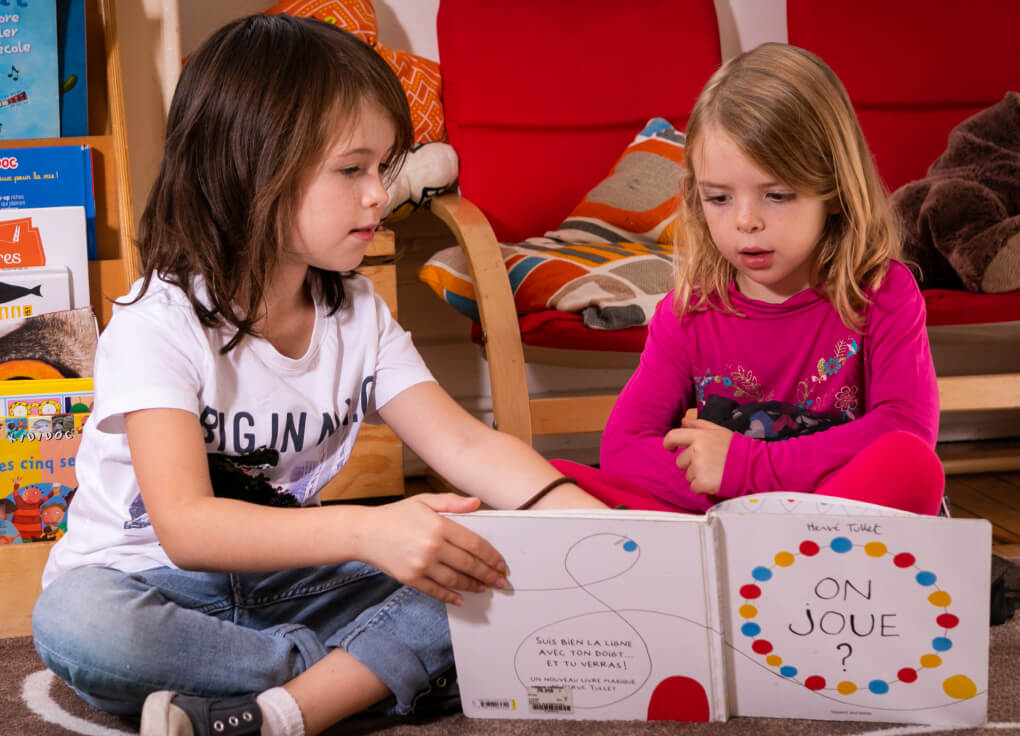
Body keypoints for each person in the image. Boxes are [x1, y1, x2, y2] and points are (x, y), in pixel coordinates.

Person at [32, 15, 604, 736]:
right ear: (250, 168)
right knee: (79, 627)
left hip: (294, 582)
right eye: (352, 169)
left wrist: (591, 525)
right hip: (151, 586)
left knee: (494, 560)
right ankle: (351, 679)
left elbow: (464, 445)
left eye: (384, 168)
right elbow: (186, 528)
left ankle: (275, 709)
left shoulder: (359, 312)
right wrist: (369, 531)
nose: (379, 194)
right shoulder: (159, 320)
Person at [554, 43, 944, 517]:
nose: (746, 221)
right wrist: (736, 494)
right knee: (554, 478)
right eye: (719, 198)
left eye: (776, 195)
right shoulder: (689, 311)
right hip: (721, 515)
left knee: (910, 465)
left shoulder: (882, 292)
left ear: (835, 191)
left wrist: (748, 469)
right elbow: (624, 446)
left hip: (829, 523)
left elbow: (906, 427)